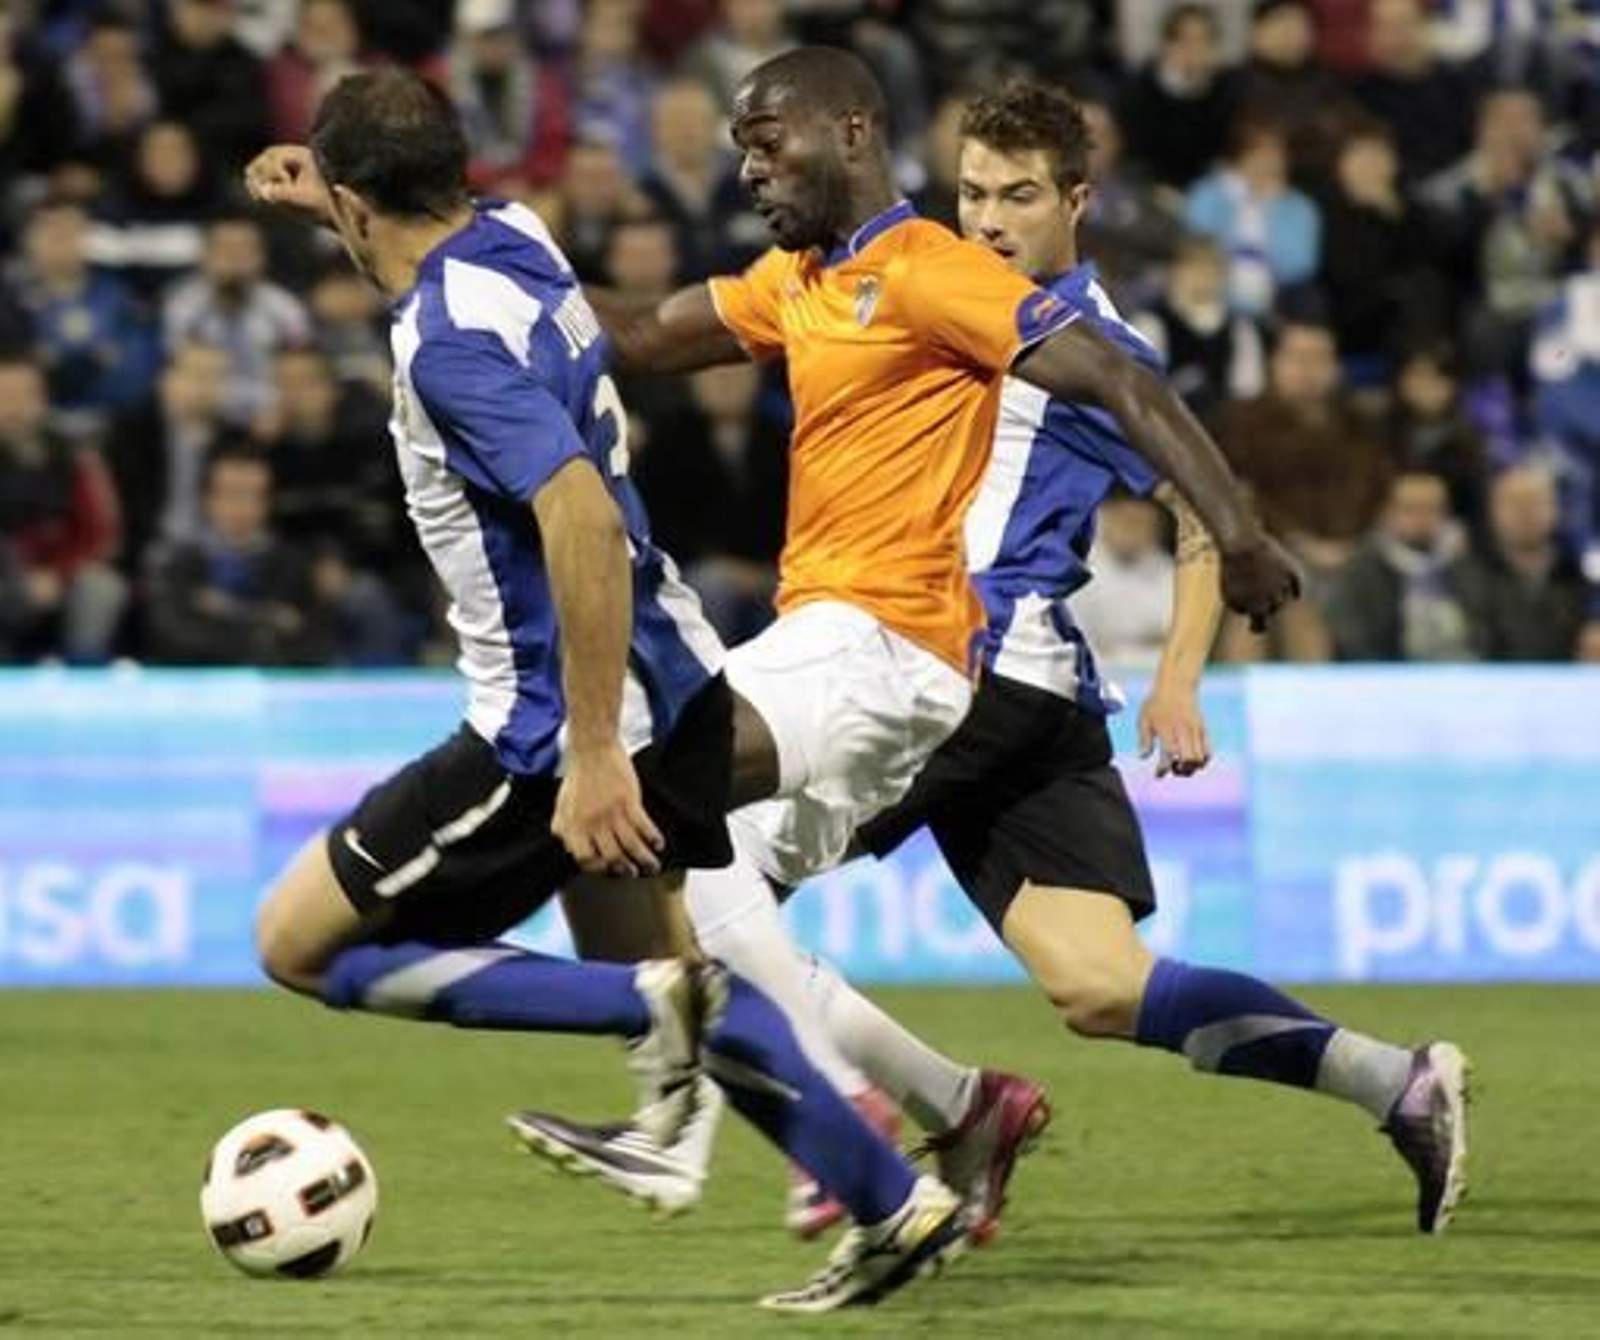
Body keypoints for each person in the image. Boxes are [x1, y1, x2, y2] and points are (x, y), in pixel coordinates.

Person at [526, 75, 1469, 1241]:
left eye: (1018, 196)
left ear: (1077, 200)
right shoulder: (926, 287)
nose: (989, 220)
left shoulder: (1072, 341)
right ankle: (1396, 1080)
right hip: (1022, 689)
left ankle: (867, 1120)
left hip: (954, 666)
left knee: (692, 861)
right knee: (1103, 985)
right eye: (972, 191)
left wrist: (1182, 672)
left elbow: (1202, 504)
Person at [241, 68, 966, 1314]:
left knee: (302, 945)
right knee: (682, 968)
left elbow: (572, 513)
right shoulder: (512, 237)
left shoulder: (447, 347)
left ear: (364, 201)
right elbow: (422, 256)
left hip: (551, 733)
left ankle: (650, 1006)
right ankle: (893, 1203)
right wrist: (340, 207)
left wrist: (586, 754)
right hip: (677, 674)